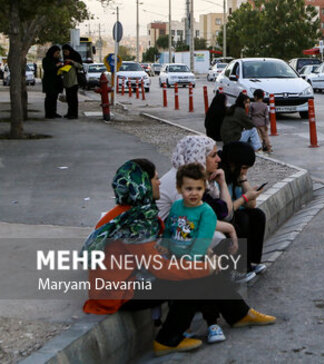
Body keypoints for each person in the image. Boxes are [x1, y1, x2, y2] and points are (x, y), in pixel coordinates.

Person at [83, 159, 276, 356]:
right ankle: (168, 339)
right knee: (197, 277)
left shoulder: (131, 212)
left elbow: (160, 246)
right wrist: (205, 268)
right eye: (155, 179)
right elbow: (161, 269)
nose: (159, 183)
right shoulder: (135, 224)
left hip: (129, 280)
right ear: (143, 184)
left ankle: (239, 313)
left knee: (199, 264)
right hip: (118, 292)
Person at [157, 136, 257, 283]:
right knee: (218, 235)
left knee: (241, 220)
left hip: (183, 229)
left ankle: (232, 272)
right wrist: (230, 229)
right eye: (213, 155)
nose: (218, 160)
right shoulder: (180, 180)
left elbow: (227, 213)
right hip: (166, 238)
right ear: (198, 157)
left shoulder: (202, 178)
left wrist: (222, 183)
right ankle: (221, 278)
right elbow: (192, 220)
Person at [220, 141, 267, 276]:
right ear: (233, 163)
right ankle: (241, 267)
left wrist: (243, 179)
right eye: (244, 167)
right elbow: (226, 211)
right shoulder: (221, 177)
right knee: (242, 218)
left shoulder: (236, 174)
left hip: (235, 212)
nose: (245, 171)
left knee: (257, 215)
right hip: (223, 217)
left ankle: (252, 262)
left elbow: (252, 205)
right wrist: (245, 198)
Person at [60, 44, 83, 119]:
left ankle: (74, 114)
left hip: (74, 81)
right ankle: (69, 113)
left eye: (66, 52)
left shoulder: (75, 56)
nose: (65, 53)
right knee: (69, 99)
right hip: (67, 81)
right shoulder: (65, 58)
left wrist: (72, 62)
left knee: (73, 99)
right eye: (64, 52)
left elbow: (80, 66)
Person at [41, 46, 63, 119]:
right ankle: (48, 113)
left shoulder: (57, 60)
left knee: (54, 97)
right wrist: (56, 65)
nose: (57, 55)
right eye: (56, 53)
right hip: (49, 82)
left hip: (56, 81)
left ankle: (54, 112)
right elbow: (48, 69)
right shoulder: (46, 60)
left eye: (58, 53)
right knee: (49, 98)